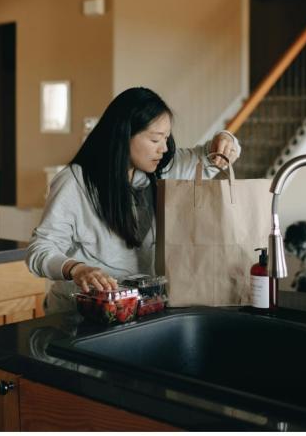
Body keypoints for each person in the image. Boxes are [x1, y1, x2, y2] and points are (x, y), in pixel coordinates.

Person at [25, 87, 241, 314]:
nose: (164, 148)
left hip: (138, 309)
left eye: (166, 138)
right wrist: (77, 269)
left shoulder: (162, 169)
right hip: (79, 314)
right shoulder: (76, 182)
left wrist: (226, 138)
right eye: (155, 139)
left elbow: (211, 156)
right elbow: (40, 249)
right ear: (124, 134)